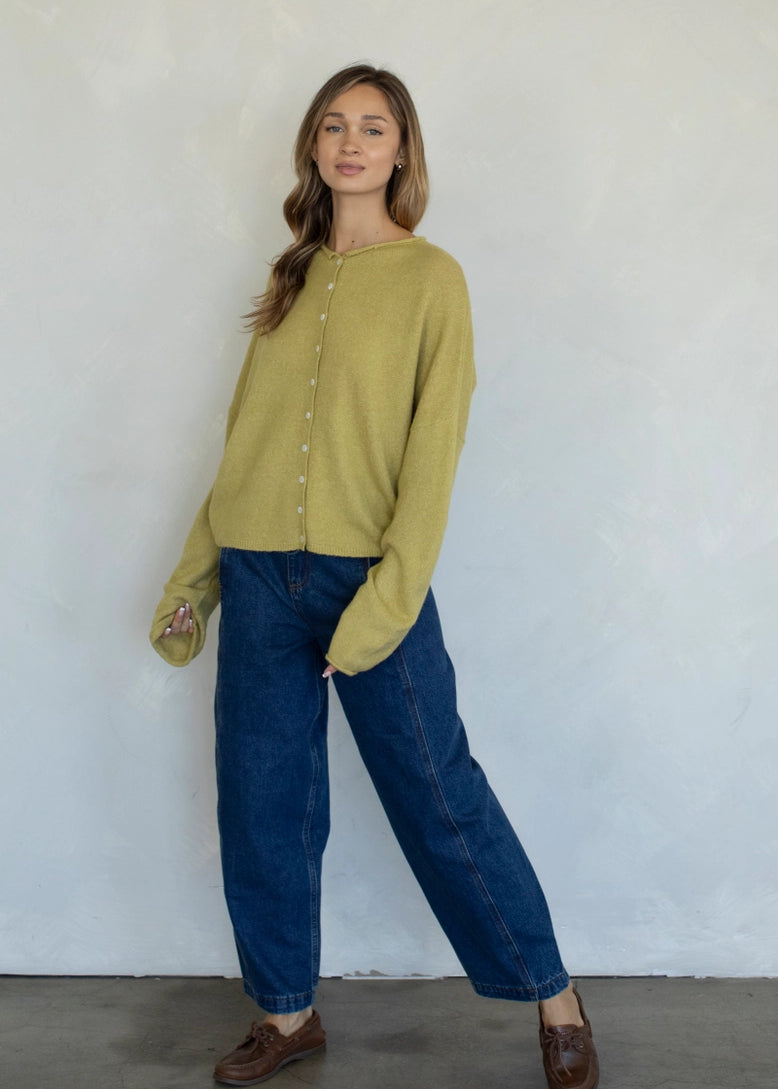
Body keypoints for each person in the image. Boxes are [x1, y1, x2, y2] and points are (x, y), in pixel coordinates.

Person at [150, 63, 599, 1089]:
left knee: (440, 795)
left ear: (401, 153)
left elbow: (433, 455)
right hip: (256, 575)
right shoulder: (291, 276)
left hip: (368, 581)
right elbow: (244, 444)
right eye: (334, 126)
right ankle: (286, 1012)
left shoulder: (433, 279)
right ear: (313, 147)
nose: (351, 142)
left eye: (374, 128)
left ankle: (555, 996)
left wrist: (384, 605)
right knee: (261, 802)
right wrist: (194, 581)